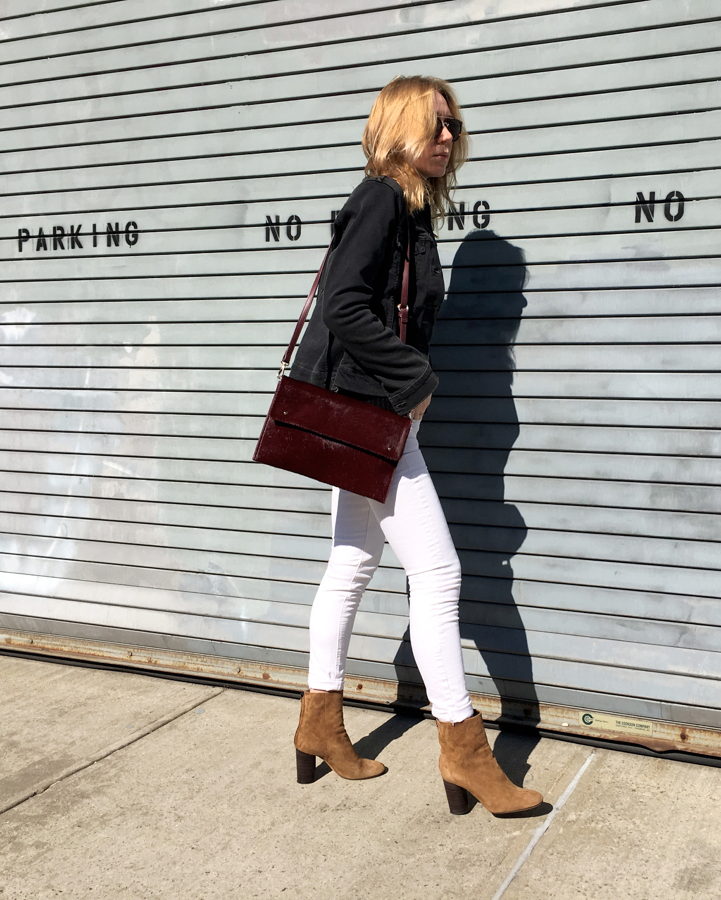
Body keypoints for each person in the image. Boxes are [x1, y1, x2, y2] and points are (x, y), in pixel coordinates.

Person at [287, 75, 543, 817]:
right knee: (439, 572)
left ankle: (318, 721)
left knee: (352, 563)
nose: (448, 137)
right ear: (400, 126)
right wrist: (415, 377)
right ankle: (465, 751)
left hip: (367, 417)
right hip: (374, 415)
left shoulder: (410, 209)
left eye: (455, 128)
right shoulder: (382, 199)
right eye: (436, 124)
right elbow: (340, 303)